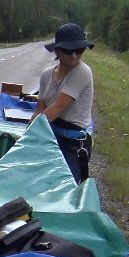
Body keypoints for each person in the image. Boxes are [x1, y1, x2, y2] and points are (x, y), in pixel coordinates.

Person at [32, 23, 95, 183]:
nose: (74, 55)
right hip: (49, 137)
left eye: (79, 50)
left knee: (63, 192)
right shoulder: (47, 75)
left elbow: (57, 108)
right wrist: (28, 135)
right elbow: (40, 110)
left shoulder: (82, 72)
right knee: (39, 184)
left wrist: (31, 133)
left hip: (71, 146)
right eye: (68, 50)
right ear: (58, 50)